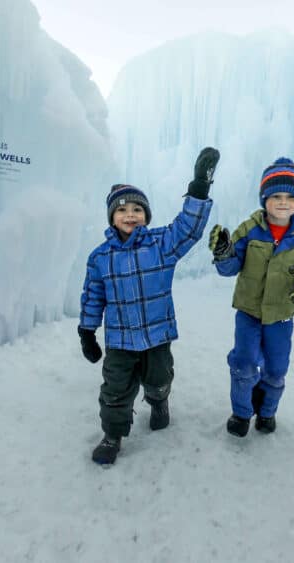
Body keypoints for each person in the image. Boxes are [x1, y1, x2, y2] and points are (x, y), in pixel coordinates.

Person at [78, 147, 220, 464]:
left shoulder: (160, 245)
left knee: (159, 378)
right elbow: (93, 295)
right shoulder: (100, 257)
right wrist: (87, 330)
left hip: (157, 336)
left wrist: (199, 188)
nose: (130, 215)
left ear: (146, 216)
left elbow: (188, 228)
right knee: (115, 389)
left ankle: (159, 401)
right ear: (112, 217)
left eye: (137, 210)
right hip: (120, 339)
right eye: (122, 210)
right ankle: (112, 435)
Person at [208, 157, 294, 437]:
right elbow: (229, 267)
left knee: (276, 367)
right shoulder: (250, 229)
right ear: (265, 199)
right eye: (276, 196)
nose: (283, 202)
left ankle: (267, 412)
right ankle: (241, 413)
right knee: (244, 363)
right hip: (248, 312)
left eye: (290, 196)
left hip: (281, 316)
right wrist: (223, 253)